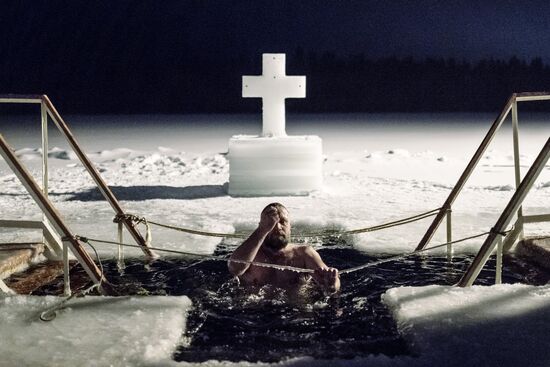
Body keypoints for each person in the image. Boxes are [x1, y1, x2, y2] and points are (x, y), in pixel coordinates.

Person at [228, 203, 340, 294]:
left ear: (290, 226)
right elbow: (235, 269)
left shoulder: (304, 253)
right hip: (255, 314)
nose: (277, 226)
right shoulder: (250, 253)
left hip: (295, 314)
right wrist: (262, 230)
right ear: (261, 225)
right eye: (271, 223)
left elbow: (327, 278)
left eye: (282, 222)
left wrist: (332, 285)